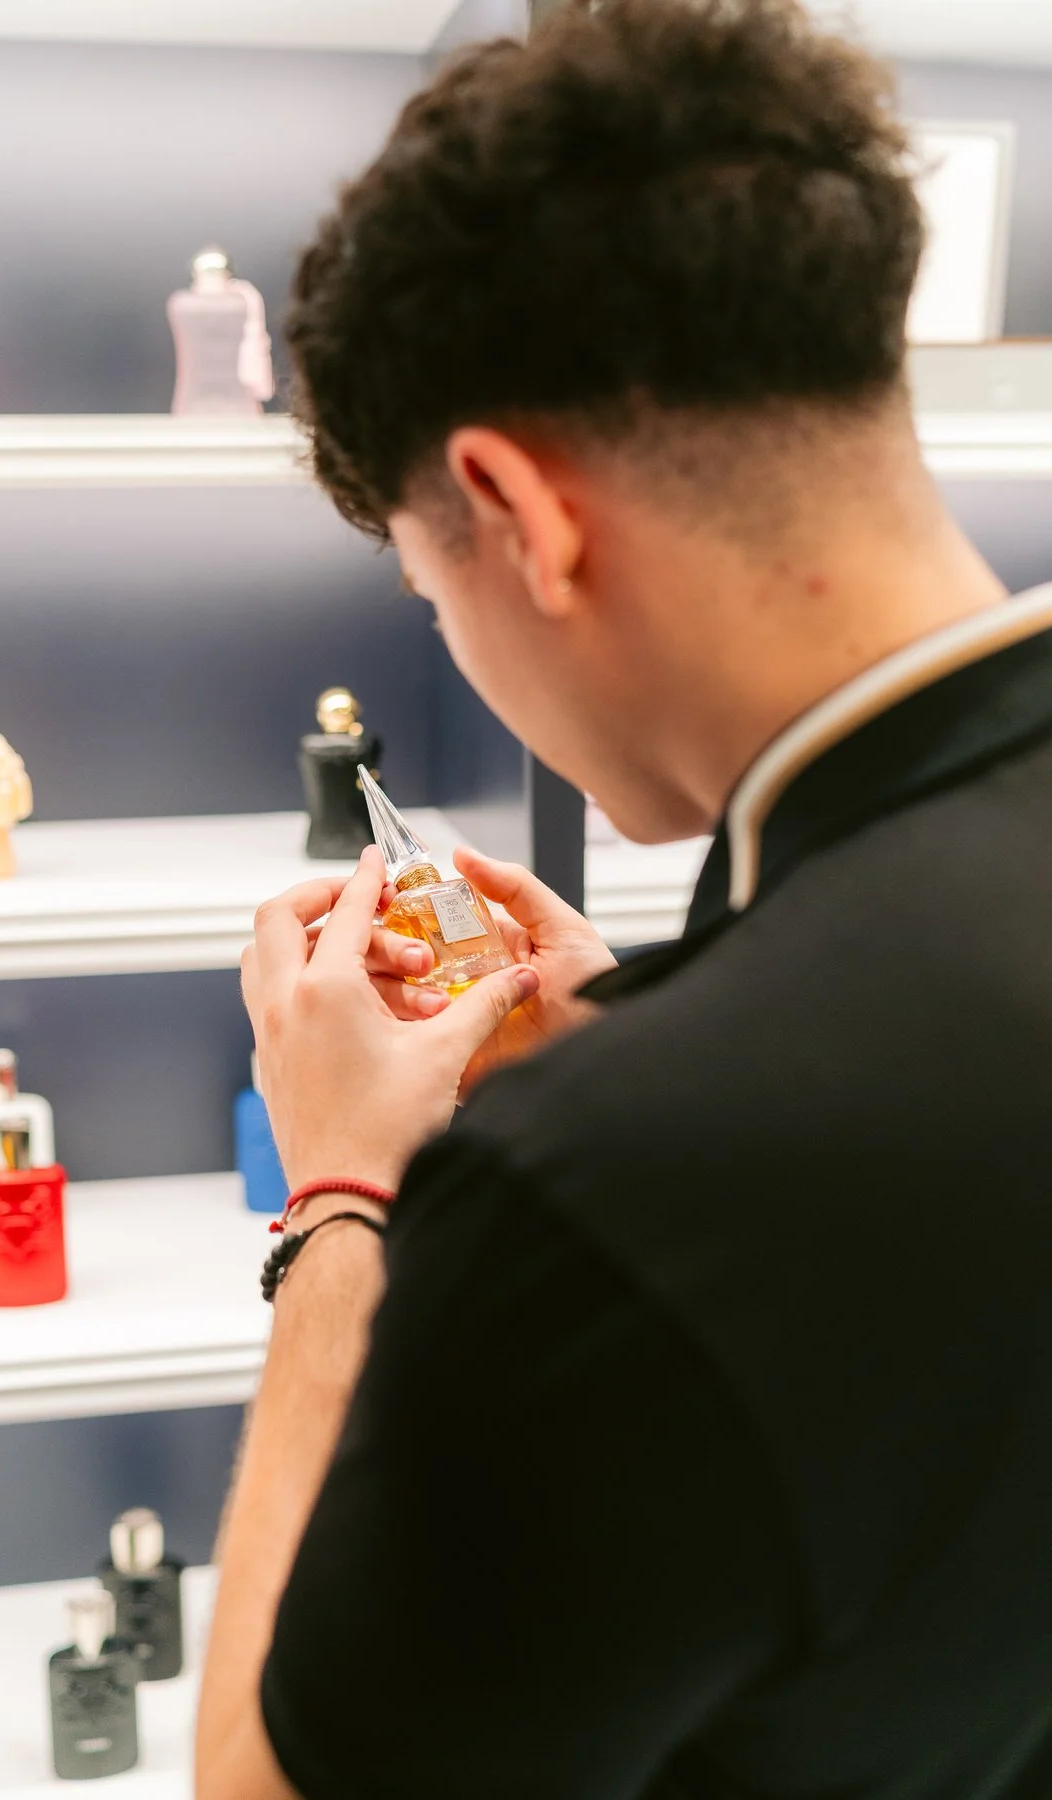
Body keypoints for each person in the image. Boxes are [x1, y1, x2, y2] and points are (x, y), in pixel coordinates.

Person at [196, 3, 1052, 1796]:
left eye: (435, 591)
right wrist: (680, 1005)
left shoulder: (609, 1191)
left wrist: (341, 1201)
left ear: (517, 510)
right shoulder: (694, 1097)